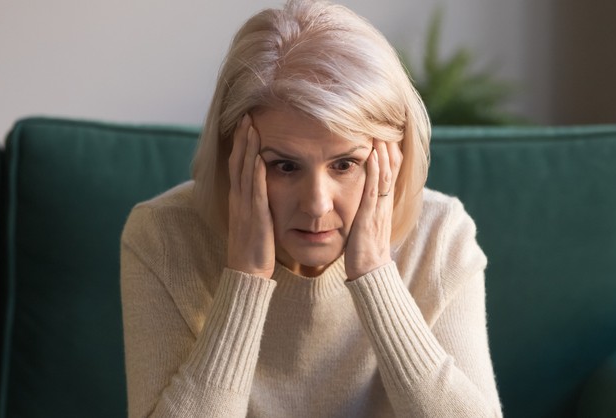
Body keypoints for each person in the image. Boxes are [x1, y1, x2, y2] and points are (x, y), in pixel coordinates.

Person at [120, 0, 502, 416]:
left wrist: (375, 274)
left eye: (345, 164)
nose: (317, 204)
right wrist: (245, 279)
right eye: (284, 166)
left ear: (393, 154)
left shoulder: (440, 235)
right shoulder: (161, 235)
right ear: (234, 158)